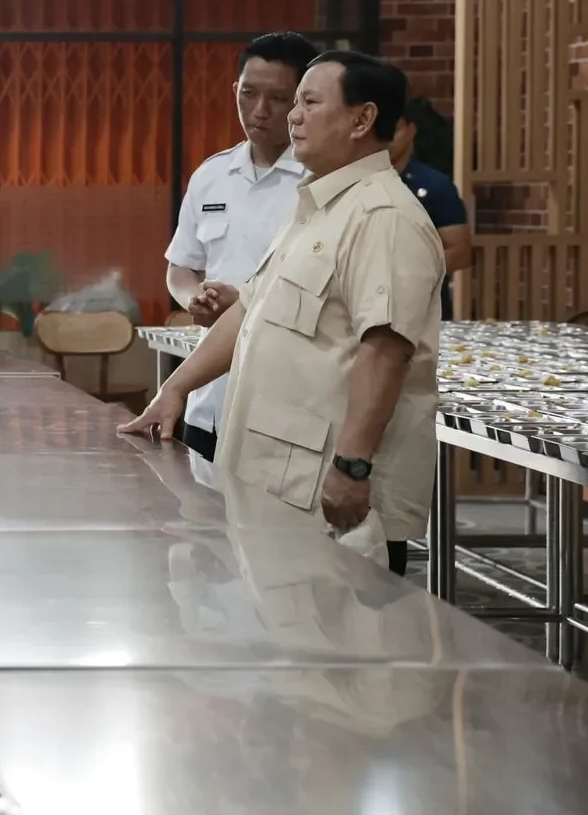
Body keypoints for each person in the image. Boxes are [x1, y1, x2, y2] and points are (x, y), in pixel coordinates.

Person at [122, 52, 445, 577]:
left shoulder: (383, 216)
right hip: (280, 481)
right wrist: (174, 389)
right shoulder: (319, 208)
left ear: (363, 119)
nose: (292, 116)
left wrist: (353, 465)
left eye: (308, 102)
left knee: (344, 647)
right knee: (287, 642)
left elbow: (385, 350)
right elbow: (250, 309)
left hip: (330, 487)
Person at [165, 32, 316, 474]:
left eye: (278, 98)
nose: (259, 111)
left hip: (288, 406)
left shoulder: (322, 181)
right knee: (204, 535)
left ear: (303, 100)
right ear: (234, 90)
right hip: (210, 396)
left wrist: (247, 308)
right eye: (248, 94)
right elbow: (181, 266)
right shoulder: (212, 175)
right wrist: (193, 298)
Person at [389, 98, 471, 319]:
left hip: (423, 310)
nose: (386, 140)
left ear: (410, 130)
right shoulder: (356, 181)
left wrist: (408, 269)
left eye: (393, 130)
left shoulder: (435, 186)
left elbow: (461, 252)